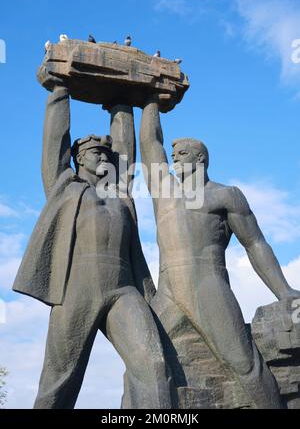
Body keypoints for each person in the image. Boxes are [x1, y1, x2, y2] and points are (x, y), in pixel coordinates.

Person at [13, 78, 171, 409]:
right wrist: (60, 92)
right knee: (59, 380)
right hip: (76, 289)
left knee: (154, 366)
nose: (104, 156)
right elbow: (55, 147)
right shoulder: (65, 187)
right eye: (95, 152)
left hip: (124, 289)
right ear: (79, 159)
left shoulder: (119, 192)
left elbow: (125, 152)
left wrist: (123, 101)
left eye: (105, 152)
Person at [139, 94, 300, 409]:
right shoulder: (164, 191)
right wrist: (149, 98)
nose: (174, 159)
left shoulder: (225, 195)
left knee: (243, 361)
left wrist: (284, 291)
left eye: (182, 153)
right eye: (173, 154)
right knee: (145, 360)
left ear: (200, 158)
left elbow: (255, 244)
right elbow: (149, 144)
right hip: (168, 290)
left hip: (207, 282)